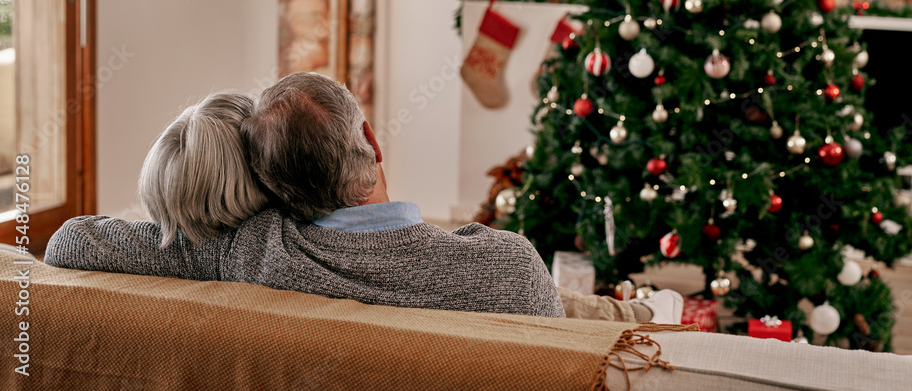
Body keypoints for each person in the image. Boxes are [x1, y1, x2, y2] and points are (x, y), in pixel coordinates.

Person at [46, 74, 680, 322]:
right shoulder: (509, 264)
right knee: (626, 315)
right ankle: (649, 313)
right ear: (372, 140)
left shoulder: (248, 253)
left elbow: (69, 240)